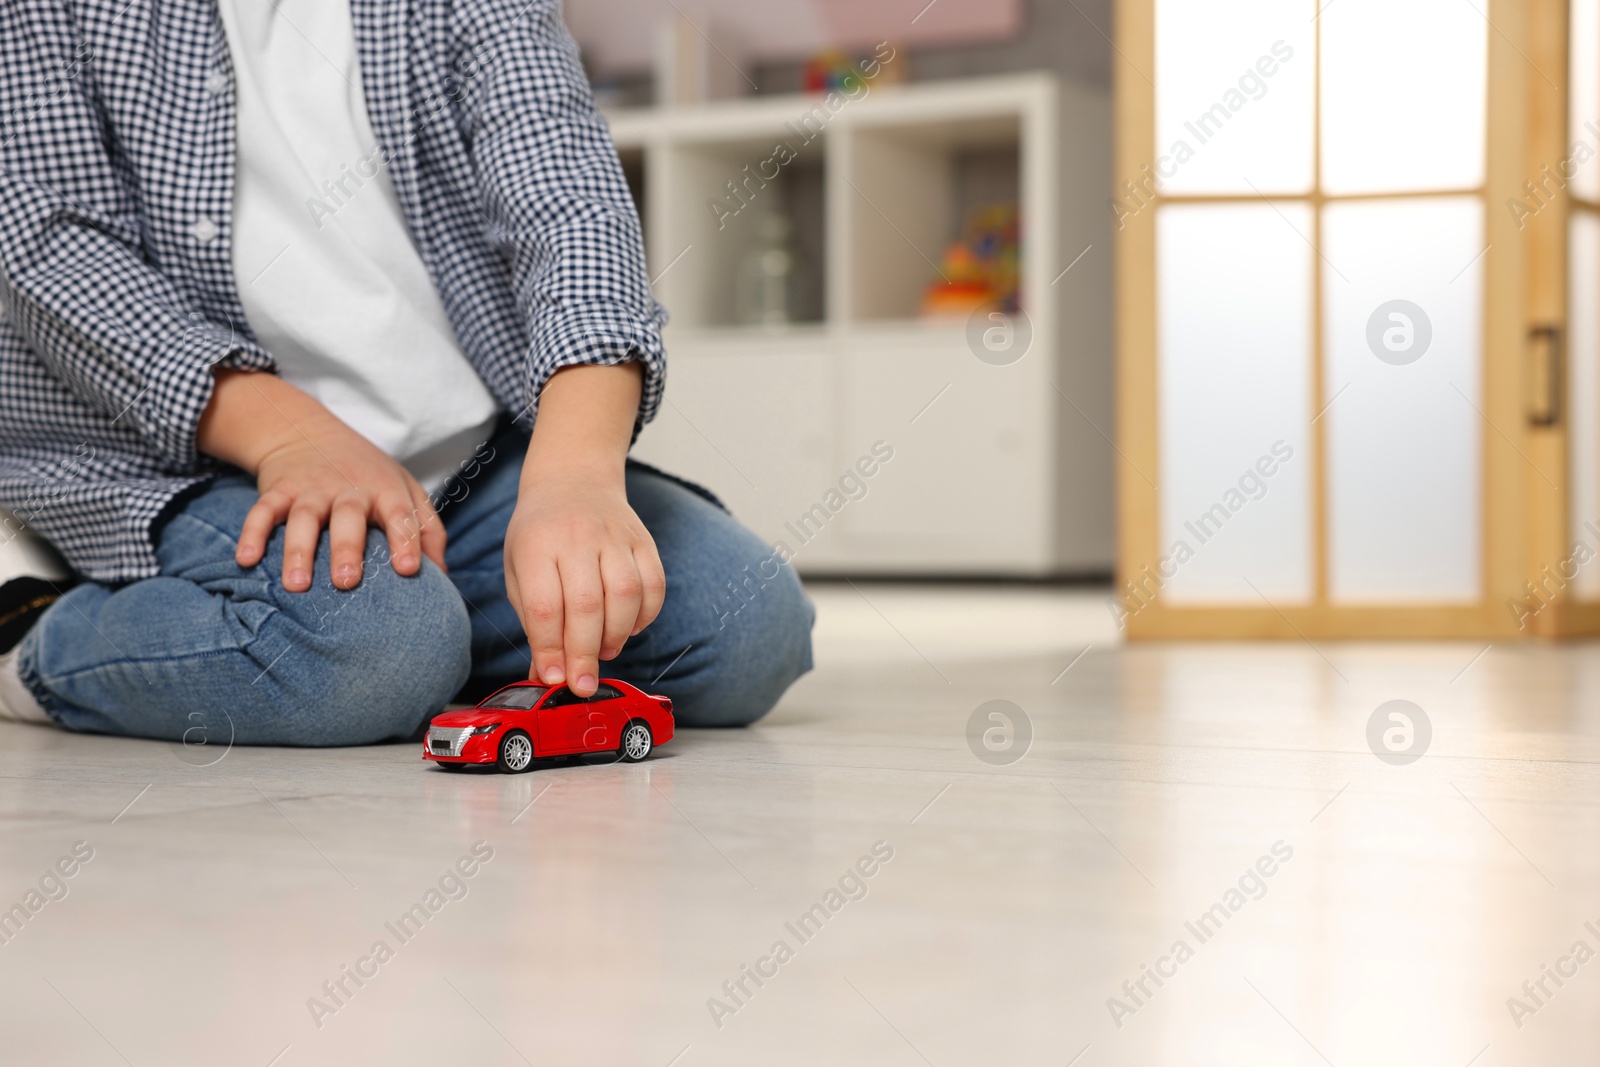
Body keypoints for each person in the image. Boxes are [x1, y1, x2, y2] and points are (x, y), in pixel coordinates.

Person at [0, 0, 813, 745]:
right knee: (377, 649)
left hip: (471, 459)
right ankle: (34, 636)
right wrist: (292, 437)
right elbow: (49, 248)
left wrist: (573, 474)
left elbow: (572, 210)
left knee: (749, 627)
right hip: (202, 461)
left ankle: (439, 639)